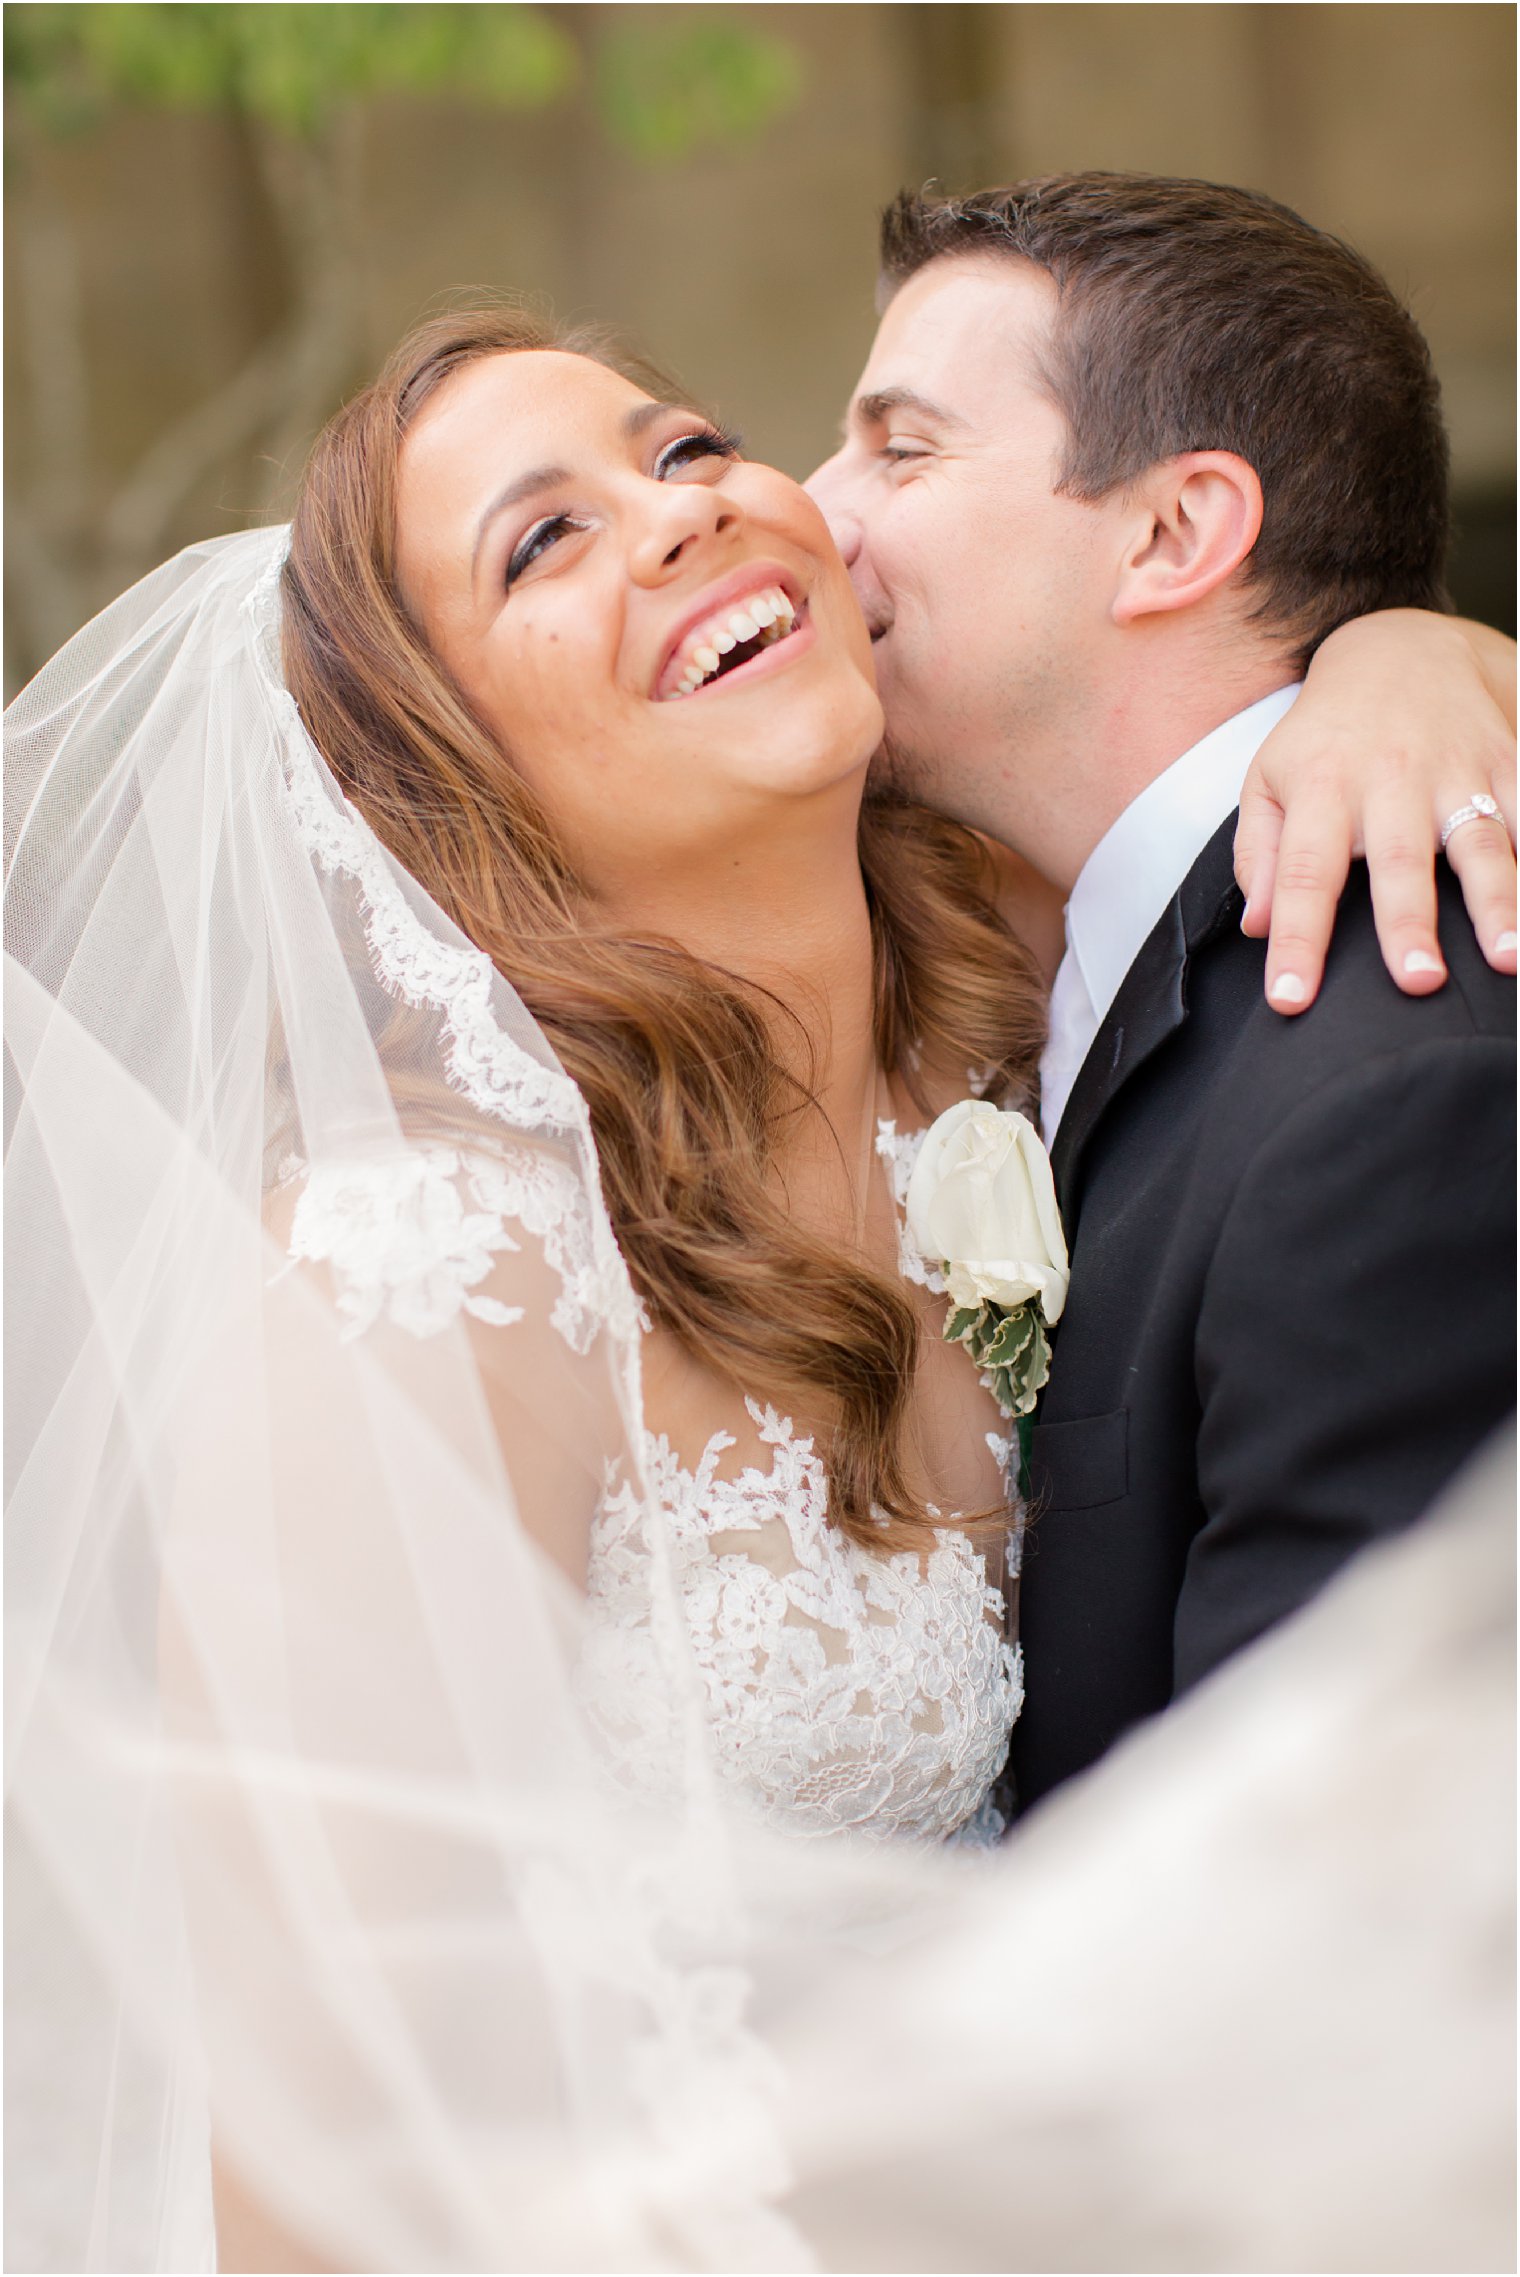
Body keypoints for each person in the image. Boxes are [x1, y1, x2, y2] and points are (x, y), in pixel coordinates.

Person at [4, 296, 1512, 2271]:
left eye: (685, 447)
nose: (679, 514)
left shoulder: (1006, 1032)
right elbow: (304, 2172)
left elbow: (1203, 717)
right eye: (540, 542)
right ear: (437, 778)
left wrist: (1407, 657)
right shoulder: (422, 1277)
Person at [806, 173, 1517, 1812]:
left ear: (1175, 533)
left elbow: (1350, 1878)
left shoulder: (1394, 1087)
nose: (814, 504)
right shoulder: (1030, 991)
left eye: (901, 448)